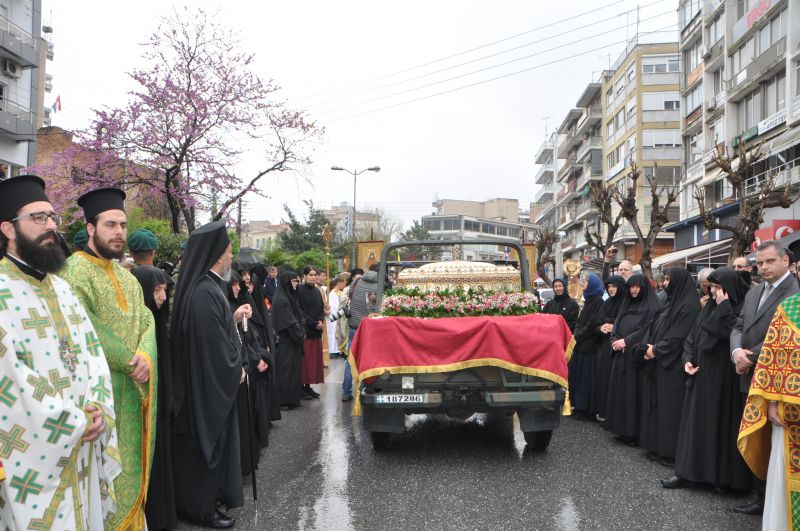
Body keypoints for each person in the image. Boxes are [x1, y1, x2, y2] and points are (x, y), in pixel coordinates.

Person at [0, 175, 121, 529]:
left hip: (83, 446)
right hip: (35, 456)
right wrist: (71, 420)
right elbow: (10, 377)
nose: (51, 225)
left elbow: (93, 354)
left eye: (52, 217)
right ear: (8, 228)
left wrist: (99, 406)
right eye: (38, 218)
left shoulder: (63, 289)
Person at [60, 188, 157, 530]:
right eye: (110, 225)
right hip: (100, 399)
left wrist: (146, 353)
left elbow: (147, 319)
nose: (119, 232)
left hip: (132, 396)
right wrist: (132, 361)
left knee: (132, 480)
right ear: (90, 228)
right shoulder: (73, 273)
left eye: (123, 225)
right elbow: (87, 326)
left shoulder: (127, 277)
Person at [169, 221, 248, 528]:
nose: (230, 258)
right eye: (228, 253)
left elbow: (218, 333)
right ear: (217, 256)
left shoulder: (208, 287)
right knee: (207, 447)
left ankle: (210, 501)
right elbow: (212, 347)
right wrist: (235, 369)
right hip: (206, 387)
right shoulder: (205, 292)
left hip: (211, 382)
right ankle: (202, 508)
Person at [662, 267, 752, 492]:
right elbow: (693, 336)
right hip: (701, 374)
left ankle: (720, 478)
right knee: (695, 425)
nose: (714, 292)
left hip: (723, 378)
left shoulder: (738, 309)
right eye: (712, 287)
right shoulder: (708, 307)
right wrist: (688, 359)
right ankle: (687, 472)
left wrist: (724, 307)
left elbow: (732, 333)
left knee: (718, 425)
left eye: (719, 288)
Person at [730, 240, 800, 516]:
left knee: (777, 441)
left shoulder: (794, 293)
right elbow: (738, 324)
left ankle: (775, 500)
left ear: (786, 261)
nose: (764, 267)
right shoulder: (753, 292)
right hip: (748, 373)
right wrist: (736, 351)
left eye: (770, 261)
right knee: (757, 435)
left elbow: (786, 340)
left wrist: (751, 355)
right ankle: (761, 496)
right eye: (760, 263)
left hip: (779, 381)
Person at [738, 290, 800, 530]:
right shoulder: (789, 308)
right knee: (785, 481)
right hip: (789, 414)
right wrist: (772, 402)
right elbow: (774, 356)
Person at [636, 268, 701, 466]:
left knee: (670, 409)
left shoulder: (689, 306)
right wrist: (648, 346)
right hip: (659, 362)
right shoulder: (672, 302)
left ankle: (670, 451)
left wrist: (656, 350)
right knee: (657, 406)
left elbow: (678, 336)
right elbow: (655, 325)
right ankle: (655, 446)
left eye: (668, 279)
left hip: (673, 365)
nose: (665, 282)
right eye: (664, 278)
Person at [132, 265, 178, 530]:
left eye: (164, 290)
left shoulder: (161, 321)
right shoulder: (138, 321)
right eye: (156, 290)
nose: (161, 297)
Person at [604, 274, 661, 442]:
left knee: (633, 394)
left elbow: (647, 329)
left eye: (637, 287)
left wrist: (626, 342)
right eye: (631, 287)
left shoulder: (652, 306)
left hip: (636, 357)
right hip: (621, 356)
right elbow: (617, 324)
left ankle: (633, 432)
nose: (634, 290)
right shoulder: (626, 304)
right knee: (620, 393)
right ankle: (621, 429)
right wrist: (614, 340)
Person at [568, 273, 604, 418]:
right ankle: (578, 406)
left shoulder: (598, 301)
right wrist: (576, 334)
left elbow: (592, 324)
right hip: (580, 345)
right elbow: (580, 321)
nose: (582, 283)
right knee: (578, 376)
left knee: (586, 379)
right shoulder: (589, 300)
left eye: (585, 281)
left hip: (589, 346)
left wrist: (578, 335)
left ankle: (586, 410)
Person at [593, 275, 627, 422]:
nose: (611, 289)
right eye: (609, 287)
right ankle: (603, 412)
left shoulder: (627, 303)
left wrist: (614, 326)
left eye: (614, 286)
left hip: (619, 347)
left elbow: (630, 323)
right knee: (603, 378)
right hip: (604, 347)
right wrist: (602, 327)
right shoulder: (606, 304)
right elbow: (596, 324)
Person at [271, 270, 305, 408]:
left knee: (293, 371)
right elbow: (289, 322)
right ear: (286, 283)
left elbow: (299, 315)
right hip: (286, 342)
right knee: (286, 372)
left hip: (293, 341)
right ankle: (284, 400)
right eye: (293, 281)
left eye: (296, 281)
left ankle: (293, 398)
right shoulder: (281, 300)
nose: (296, 284)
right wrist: (300, 334)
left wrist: (301, 331)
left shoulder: (289, 296)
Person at [343, 266, 375, 402]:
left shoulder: (356, 282)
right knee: (371, 358)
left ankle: (346, 391)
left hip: (354, 325)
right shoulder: (381, 283)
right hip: (371, 327)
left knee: (351, 359)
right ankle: (366, 387)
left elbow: (350, 297)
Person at [297, 266, 325, 399]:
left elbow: (321, 308)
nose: (313, 277)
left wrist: (320, 321)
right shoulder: (299, 290)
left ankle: (308, 387)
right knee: (306, 362)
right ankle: (301, 388)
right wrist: (314, 323)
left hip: (317, 330)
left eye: (315, 275)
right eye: (311, 275)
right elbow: (300, 311)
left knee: (313, 362)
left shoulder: (317, 291)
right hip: (306, 330)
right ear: (305, 276)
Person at [328, 277, 345, 359]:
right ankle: (333, 350)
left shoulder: (340, 292)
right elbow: (334, 306)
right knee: (333, 333)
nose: (344, 285)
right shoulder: (332, 293)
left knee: (339, 333)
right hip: (334, 316)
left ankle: (338, 349)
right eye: (343, 283)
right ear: (339, 283)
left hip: (340, 315)